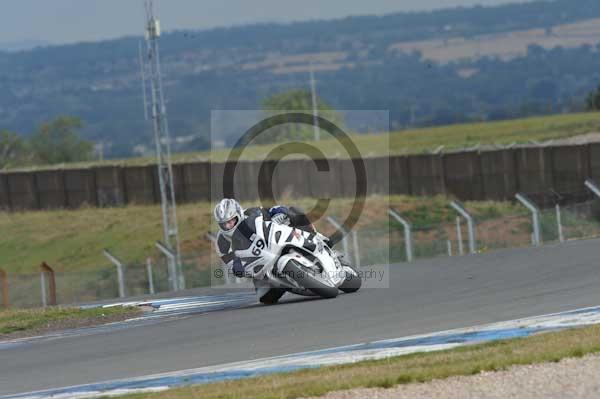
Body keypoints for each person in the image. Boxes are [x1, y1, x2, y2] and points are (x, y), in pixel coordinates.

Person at [213, 198, 330, 304]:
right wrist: (238, 267)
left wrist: (281, 212)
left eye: (231, 221)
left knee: (294, 211)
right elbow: (230, 262)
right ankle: (285, 284)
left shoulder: (251, 213)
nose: (228, 226)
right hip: (261, 263)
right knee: (265, 298)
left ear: (238, 214)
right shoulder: (221, 242)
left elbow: (272, 210)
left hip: (275, 241)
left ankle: (318, 237)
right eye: (224, 224)